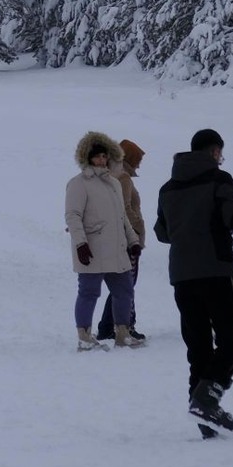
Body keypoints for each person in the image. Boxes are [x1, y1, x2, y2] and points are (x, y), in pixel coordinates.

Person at [155, 128, 233, 432]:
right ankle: (208, 399)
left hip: (182, 275)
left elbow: (162, 232)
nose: (222, 158)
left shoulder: (167, 188)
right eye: (220, 153)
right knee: (232, 337)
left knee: (197, 345)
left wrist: (186, 232)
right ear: (213, 151)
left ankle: (203, 417)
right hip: (215, 269)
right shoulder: (219, 180)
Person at [68, 133, 143, 351]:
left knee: (125, 291)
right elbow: (73, 216)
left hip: (117, 248)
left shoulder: (114, 184)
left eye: (104, 156)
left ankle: (123, 333)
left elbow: (122, 217)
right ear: (87, 158)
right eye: (97, 157)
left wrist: (133, 240)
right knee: (89, 292)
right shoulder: (78, 184)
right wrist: (81, 244)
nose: (101, 160)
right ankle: (84, 336)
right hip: (92, 249)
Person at [96, 139, 149, 343]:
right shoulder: (124, 177)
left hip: (115, 237)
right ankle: (125, 324)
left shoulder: (110, 176)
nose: (140, 164)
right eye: (139, 159)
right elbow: (125, 208)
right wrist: (138, 228)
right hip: (129, 238)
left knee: (121, 286)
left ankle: (107, 326)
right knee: (126, 285)